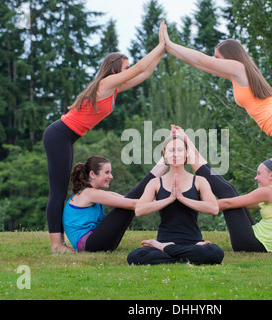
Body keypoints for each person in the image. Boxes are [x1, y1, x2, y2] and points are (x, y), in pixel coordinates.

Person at [162, 23, 272, 254]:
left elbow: (202, 60)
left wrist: (170, 44)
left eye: (218, 56)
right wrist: (170, 50)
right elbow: (199, 64)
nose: (216, 60)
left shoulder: (238, 67)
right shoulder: (236, 73)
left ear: (229, 56)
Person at [43, 22, 166, 252]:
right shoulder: (106, 83)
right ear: (114, 69)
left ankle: (62, 241)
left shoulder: (114, 88)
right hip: (58, 134)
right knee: (58, 191)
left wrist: (163, 49)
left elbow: (145, 72)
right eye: (125, 67)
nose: (128, 69)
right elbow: (139, 68)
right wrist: (159, 45)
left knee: (60, 190)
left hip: (67, 137)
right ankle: (56, 245)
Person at [173, 126, 272, 253]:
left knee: (228, 193)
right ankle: (186, 141)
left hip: (252, 245)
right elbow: (239, 204)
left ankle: (185, 146)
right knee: (231, 191)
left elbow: (228, 203)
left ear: (271, 175)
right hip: (255, 242)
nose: (255, 178)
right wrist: (185, 138)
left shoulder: (269, 191)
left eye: (258, 173)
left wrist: (192, 206)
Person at [127, 133, 224, 265]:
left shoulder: (199, 181)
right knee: (135, 256)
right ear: (164, 153)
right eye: (171, 150)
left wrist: (182, 199)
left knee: (216, 253)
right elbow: (139, 210)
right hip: (166, 240)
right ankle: (182, 255)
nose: (175, 154)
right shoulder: (155, 183)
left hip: (192, 242)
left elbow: (214, 208)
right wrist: (169, 199)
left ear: (186, 154)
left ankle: (169, 251)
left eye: (179, 150)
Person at [63, 155, 168, 252]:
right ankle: (166, 159)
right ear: (92, 174)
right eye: (107, 172)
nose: (111, 176)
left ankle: (166, 160)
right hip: (90, 244)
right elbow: (133, 204)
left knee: (132, 196)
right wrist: (168, 202)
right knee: (131, 199)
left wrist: (160, 201)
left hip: (97, 243)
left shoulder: (94, 193)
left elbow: (129, 199)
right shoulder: (89, 193)